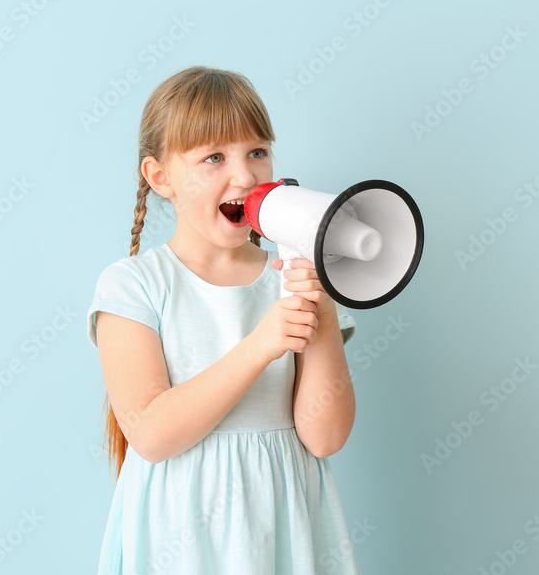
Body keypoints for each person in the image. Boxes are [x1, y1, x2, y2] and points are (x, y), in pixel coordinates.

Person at [86, 66, 362, 574]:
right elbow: (151, 432)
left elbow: (324, 437)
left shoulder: (294, 278)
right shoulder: (134, 285)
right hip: (179, 537)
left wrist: (320, 307)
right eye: (214, 157)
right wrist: (261, 344)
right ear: (160, 177)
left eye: (257, 152)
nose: (244, 175)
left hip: (283, 529)